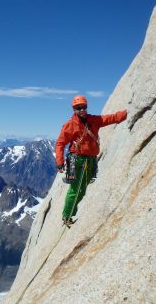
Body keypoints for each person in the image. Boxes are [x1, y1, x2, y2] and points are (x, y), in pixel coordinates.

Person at [56, 95, 127, 227]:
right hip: (78, 161)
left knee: (82, 190)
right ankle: (67, 216)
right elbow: (60, 143)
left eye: (84, 107)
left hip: (91, 160)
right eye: (78, 108)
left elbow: (109, 119)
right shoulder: (70, 125)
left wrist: (125, 114)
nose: (82, 110)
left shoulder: (94, 120)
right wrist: (60, 162)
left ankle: (70, 213)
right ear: (74, 109)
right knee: (76, 189)